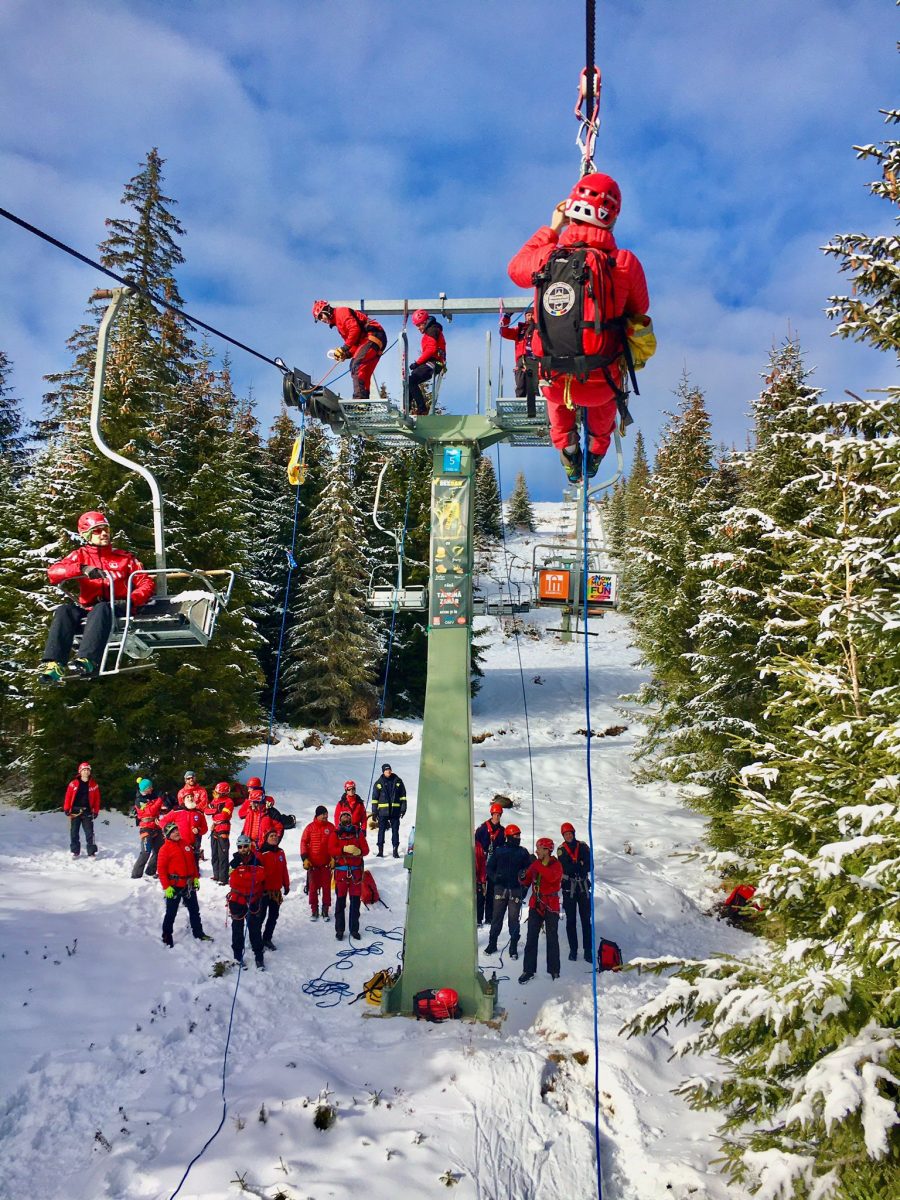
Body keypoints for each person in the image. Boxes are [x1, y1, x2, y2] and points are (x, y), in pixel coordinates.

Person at [507, 173, 655, 484]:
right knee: (602, 414)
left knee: (558, 411)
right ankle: (595, 453)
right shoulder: (624, 262)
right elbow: (640, 308)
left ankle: (568, 452)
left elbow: (515, 269)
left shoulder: (547, 257)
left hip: (554, 377)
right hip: (602, 380)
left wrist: (552, 228)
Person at [39, 510, 156, 682]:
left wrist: (132, 600)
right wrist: (82, 569)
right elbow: (54, 573)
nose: (103, 534)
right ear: (86, 535)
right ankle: (54, 663)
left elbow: (146, 582)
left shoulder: (124, 558)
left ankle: (89, 660)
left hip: (118, 607)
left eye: (106, 529)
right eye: (97, 531)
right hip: (90, 608)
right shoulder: (80, 556)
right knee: (65, 610)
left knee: (102, 608)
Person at [312, 301, 387, 399]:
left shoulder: (341, 312)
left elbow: (354, 330)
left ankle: (359, 399)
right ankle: (364, 399)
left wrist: (343, 348)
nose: (322, 320)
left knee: (356, 365)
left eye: (321, 316)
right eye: (319, 319)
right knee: (363, 371)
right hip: (371, 340)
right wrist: (346, 354)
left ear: (326, 310)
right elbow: (355, 345)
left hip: (373, 334)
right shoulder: (339, 326)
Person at [156, 822, 212, 947]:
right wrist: (166, 887)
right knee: (171, 912)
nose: (176, 832)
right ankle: (167, 936)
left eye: (176, 830)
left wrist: (195, 877)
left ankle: (198, 933)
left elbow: (192, 863)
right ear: (168, 835)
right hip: (174, 886)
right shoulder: (164, 849)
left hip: (189, 884)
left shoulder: (185, 844)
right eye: (173, 831)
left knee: (194, 910)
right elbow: (161, 869)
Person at [518, 837, 564, 983]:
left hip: (551, 904)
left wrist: (536, 866)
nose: (537, 851)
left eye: (539, 848)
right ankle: (528, 970)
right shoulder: (536, 864)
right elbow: (526, 880)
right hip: (536, 904)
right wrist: (522, 875)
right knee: (531, 937)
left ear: (547, 850)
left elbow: (551, 878)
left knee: (552, 938)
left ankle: (554, 970)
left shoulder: (556, 865)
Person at [484, 823, 532, 959]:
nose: (518, 838)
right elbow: (489, 867)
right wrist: (495, 878)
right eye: (516, 836)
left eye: (519, 836)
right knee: (496, 918)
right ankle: (492, 943)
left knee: (513, 920)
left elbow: (530, 871)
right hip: (500, 888)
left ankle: (513, 946)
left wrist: (525, 887)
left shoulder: (523, 852)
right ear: (509, 837)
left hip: (516, 889)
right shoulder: (499, 851)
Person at [227, 833, 267, 968]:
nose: (243, 849)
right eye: (240, 847)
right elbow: (233, 880)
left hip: (253, 900)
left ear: (249, 846)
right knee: (237, 930)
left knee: (255, 930)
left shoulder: (256, 860)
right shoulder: (234, 862)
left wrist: (243, 874)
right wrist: (250, 876)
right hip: (237, 901)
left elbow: (261, 876)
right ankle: (237, 955)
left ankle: (259, 956)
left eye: (245, 846)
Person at [328, 810, 369, 941]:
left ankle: (354, 929)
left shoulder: (358, 833)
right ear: (340, 819)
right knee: (340, 903)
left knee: (355, 903)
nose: (346, 817)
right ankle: (340, 930)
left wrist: (359, 851)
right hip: (341, 873)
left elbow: (366, 850)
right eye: (343, 815)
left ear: (351, 818)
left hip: (355, 874)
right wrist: (343, 849)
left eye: (348, 815)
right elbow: (331, 850)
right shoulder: (335, 834)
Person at [558, 821, 593, 962]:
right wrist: (580, 864)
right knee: (571, 920)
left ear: (573, 833)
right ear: (563, 835)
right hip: (569, 889)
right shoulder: (561, 850)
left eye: (570, 833)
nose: (568, 836)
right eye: (566, 834)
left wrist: (576, 865)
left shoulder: (583, 846)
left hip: (583, 888)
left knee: (586, 920)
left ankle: (588, 950)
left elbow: (590, 865)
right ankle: (573, 950)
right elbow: (564, 868)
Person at [408, 309, 447, 415]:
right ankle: (407, 406)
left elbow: (431, 349)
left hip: (434, 362)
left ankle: (421, 408)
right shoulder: (432, 330)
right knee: (411, 381)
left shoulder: (432, 330)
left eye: (419, 325)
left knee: (411, 380)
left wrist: (417, 363)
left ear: (425, 322)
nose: (418, 328)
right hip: (434, 362)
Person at [301, 804, 335, 921]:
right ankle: (314, 910)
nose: (325, 816)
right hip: (313, 865)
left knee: (326, 888)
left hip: (326, 864)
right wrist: (305, 858)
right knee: (313, 889)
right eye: (323, 814)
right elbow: (303, 842)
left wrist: (334, 858)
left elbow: (335, 843)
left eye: (326, 814)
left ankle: (325, 910)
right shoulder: (310, 828)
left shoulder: (331, 827)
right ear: (317, 815)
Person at [259, 826, 291, 951]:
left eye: (275, 836)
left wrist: (286, 884)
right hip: (263, 891)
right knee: (260, 916)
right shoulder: (261, 853)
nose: (274, 837)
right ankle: (256, 939)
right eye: (271, 836)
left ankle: (267, 938)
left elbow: (284, 870)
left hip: (276, 891)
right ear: (266, 838)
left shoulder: (281, 852)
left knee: (273, 916)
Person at [63, 761, 101, 858]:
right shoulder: (73, 783)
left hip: (87, 811)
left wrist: (96, 811)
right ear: (80, 771)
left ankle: (91, 852)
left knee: (89, 833)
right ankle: (75, 851)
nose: (86, 772)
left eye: (88, 770)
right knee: (74, 832)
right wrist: (66, 808)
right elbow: (68, 796)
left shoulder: (94, 785)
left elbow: (97, 799)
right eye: (84, 770)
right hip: (75, 811)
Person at [475, 803, 506, 917]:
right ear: (491, 814)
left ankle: (489, 917)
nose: (497, 817)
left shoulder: (502, 831)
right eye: (495, 814)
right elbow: (475, 844)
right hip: (481, 863)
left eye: (499, 815)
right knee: (480, 891)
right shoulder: (482, 828)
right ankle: (478, 917)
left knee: (491, 892)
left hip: (494, 865)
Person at [499, 307, 536, 398]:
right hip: (521, 359)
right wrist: (507, 316)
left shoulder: (539, 329)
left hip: (535, 358)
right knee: (520, 384)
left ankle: (536, 401)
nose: (530, 317)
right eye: (528, 315)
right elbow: (504, 332)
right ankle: (520, 403)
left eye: (532, 315)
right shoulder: (520, 330)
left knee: (535, 384)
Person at [132, 777, 165, 879]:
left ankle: (151, 871)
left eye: (151, 787)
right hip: (146, 827)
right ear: (145, 789)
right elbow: (149, 811)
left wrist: (164, 801)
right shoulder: (139, 800)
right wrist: (159, 800)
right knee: (146, 851)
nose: (152, 789)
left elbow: (159, 807)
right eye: (149, 787)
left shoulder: (152, 795)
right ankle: (136, 875)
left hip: (156, 826)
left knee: (159, 850)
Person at [371, 764, 407, 858]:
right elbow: (374, 799)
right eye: (386, 770)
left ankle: (395, 851)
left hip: (395, 811)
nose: (388, 771)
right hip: (383, 812)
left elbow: (403, 796)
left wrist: (403, 809)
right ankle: (380, 851)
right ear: (383, 771)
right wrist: (374, 812)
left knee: (395, 831)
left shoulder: (398, 781)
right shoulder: (378, 783)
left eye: (389, 769)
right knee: (381, 831)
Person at [168, 790, 209, 870]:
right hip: (180, 844)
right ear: (183, 800)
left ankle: (195, 878)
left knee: (195, 868)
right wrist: (171, 832)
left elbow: (205, 828)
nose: (190, 798)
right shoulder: (177, 811)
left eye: (191, 796)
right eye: (187, 797)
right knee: (181, 867)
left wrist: (198, 830)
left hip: (195, 845)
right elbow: (163, 822)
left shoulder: (199, 813)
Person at [207, 781, 235, 885]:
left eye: (217, 792)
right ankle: (216, 875)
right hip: (214, 828)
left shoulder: (229, 802)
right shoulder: (215, 800)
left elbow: (224, 816)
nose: (215, 793)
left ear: (223, 793)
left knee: (222, 855)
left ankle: (223, 878)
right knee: (214, 853)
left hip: (223, 829)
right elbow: (206, 810)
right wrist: (217, 811)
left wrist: (214, 812)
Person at [475, 837, 488, 925]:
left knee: (480, 899)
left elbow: (482, 864)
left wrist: (483, 881)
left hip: (477, 879)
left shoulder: (478, 845)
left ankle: (478, 919)